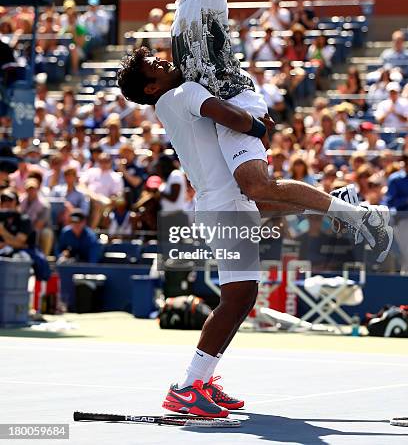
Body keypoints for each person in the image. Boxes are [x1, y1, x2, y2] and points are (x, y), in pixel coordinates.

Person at [117, 47, 393, 418]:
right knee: (238, 297)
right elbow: (231, 116)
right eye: (157, 66)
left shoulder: (172, 99)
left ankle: (201, 379)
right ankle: (186, 386)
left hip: (225, 202)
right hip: (223, 206)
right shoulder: (184, 93)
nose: (166, 61)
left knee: (243, 295)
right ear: (151, 87)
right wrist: (262, 128)